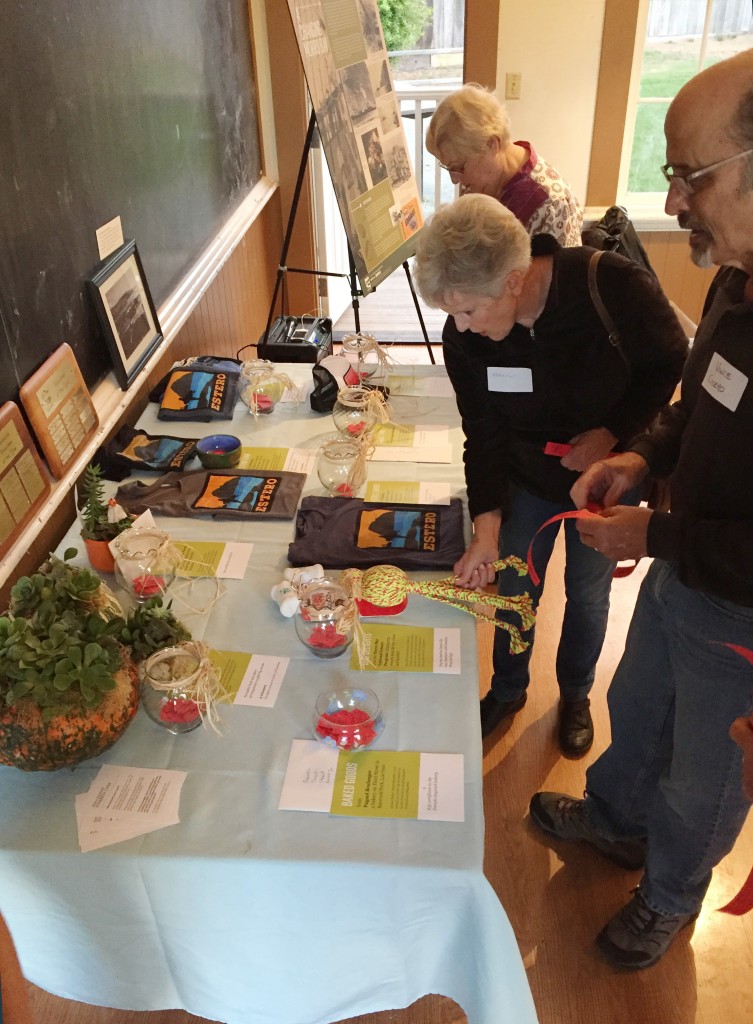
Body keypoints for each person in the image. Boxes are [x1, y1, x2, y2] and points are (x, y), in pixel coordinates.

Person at [529, 49, 753, 970]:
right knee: (635, 696)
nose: (670, 204)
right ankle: (618, 822)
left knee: (704, 777)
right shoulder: (736, 283)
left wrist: (651, 530)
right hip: (681, 575)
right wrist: (638, 456)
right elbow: (693, 409)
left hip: (738, 613)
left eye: (687, 177)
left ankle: (667, 897)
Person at [413, 193, 687, 755]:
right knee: (516, 586)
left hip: (609, 473)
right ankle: (509, 687)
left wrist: (613, 433)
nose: (461, 327)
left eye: (468, 310)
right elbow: (482, 431)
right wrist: (486, 527)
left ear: (513, 281)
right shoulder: (467, 339)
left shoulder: (610, 285)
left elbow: (668, 361)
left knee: (587, 594)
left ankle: (576, 694)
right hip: (525, 474)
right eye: (451, 315)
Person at [426, 83, 583, 246]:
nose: (455, 180)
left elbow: (560, 271)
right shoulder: (482, 183)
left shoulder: (552, 204)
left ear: (491, 144)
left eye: (459, 167)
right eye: (449, 168)